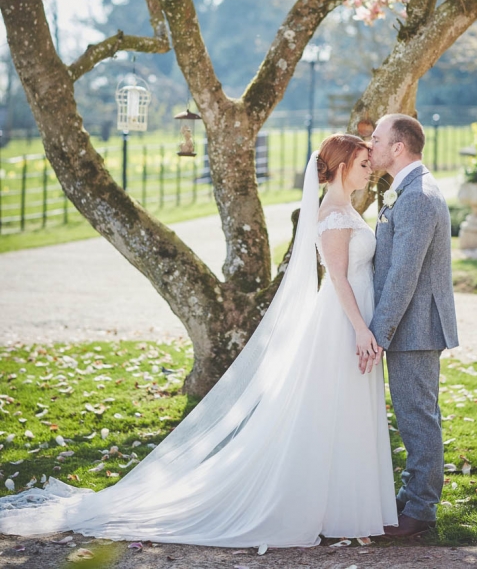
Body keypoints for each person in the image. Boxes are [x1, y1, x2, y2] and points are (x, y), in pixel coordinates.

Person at [0, 134, 397, 547]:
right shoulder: (332, 215)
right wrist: (361, 329)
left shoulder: (348, 209)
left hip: (353, 319)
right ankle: (330, 511)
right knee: (332, 408)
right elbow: (335, 279)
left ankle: (346, 510)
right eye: (364, 163)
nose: (371, 171)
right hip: (342, 322)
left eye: (370, 163)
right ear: (340, 167)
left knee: (345, 409)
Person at [368, 114, 459, 538]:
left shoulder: (419, 196)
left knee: (418, 417)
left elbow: (403, 275)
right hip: (409, 326)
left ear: (398, 147)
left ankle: (421, 509)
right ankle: (412, 494)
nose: (371, 145)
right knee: (412, 415)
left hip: (416, 327)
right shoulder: (404, 191)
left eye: (376, 138)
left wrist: (377, 335)